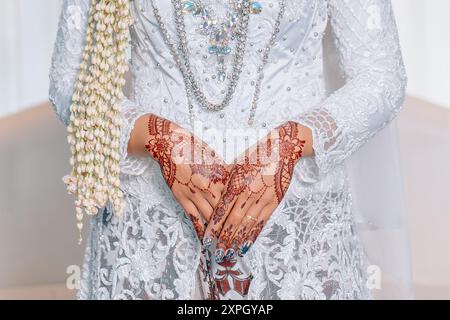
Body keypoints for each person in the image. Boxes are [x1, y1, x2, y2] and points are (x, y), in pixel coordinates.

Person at [49, 0, 410, 299]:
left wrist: (292, 143)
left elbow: (381, 77)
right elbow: (69, 82)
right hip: (150, 227)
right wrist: (157, 138)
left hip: (294, 217)